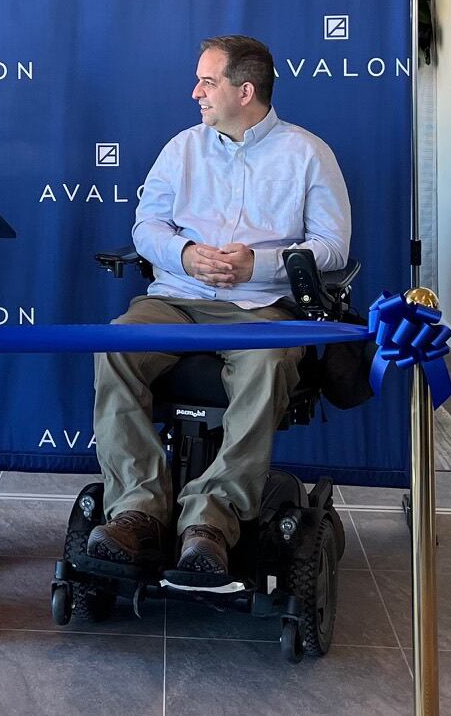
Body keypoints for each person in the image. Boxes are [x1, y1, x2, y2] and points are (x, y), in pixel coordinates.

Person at [86, 34, 351, 583]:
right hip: (176, 300)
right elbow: (146, 228)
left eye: (208, 82)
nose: (196, 92)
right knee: (115, 345)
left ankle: (211, 521)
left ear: (245, 90)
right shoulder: (181, 148)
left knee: (270, 360)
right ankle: (138, 511)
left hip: (259, 308)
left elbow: (334, 248)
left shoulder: (307, 154)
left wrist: (260, 264)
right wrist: (185, 254)